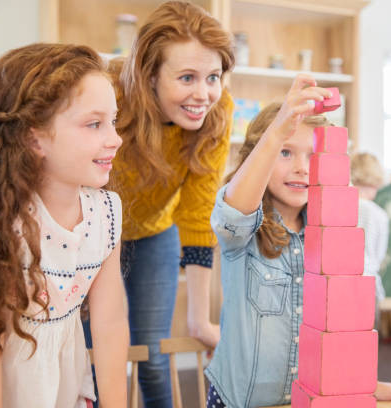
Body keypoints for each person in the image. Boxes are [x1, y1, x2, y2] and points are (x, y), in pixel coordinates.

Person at [205, 75, 391, 407]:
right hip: (241, 401)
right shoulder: (244, 232)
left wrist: (365, 386)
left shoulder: (334, 238)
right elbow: (233, 215)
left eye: (313, 156)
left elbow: (336, 336)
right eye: (286, 153)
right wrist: (278, 131)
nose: (302, 168)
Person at [0, 43, 129, 408]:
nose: (115, 139)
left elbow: (110, 323)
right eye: (94, 124)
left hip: (69, 391)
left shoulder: (106, 213)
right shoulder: (0, 221)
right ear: (34, 138)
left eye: (113, 121)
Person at [95, 1, 234, 406]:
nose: (203, 94)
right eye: (187, 77)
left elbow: (196, 212)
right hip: (95, 236)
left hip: (156, 233)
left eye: (213, 76)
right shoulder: (108, 94)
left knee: (153, 359)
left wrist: (199, 319)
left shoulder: (217, 111)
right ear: (149, 73)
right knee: (94, 361)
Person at [351, 152, 389, 310]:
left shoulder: (342, 206)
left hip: (339, 280)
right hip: (367, 281)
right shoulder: (379, 214)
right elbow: (378, 256)